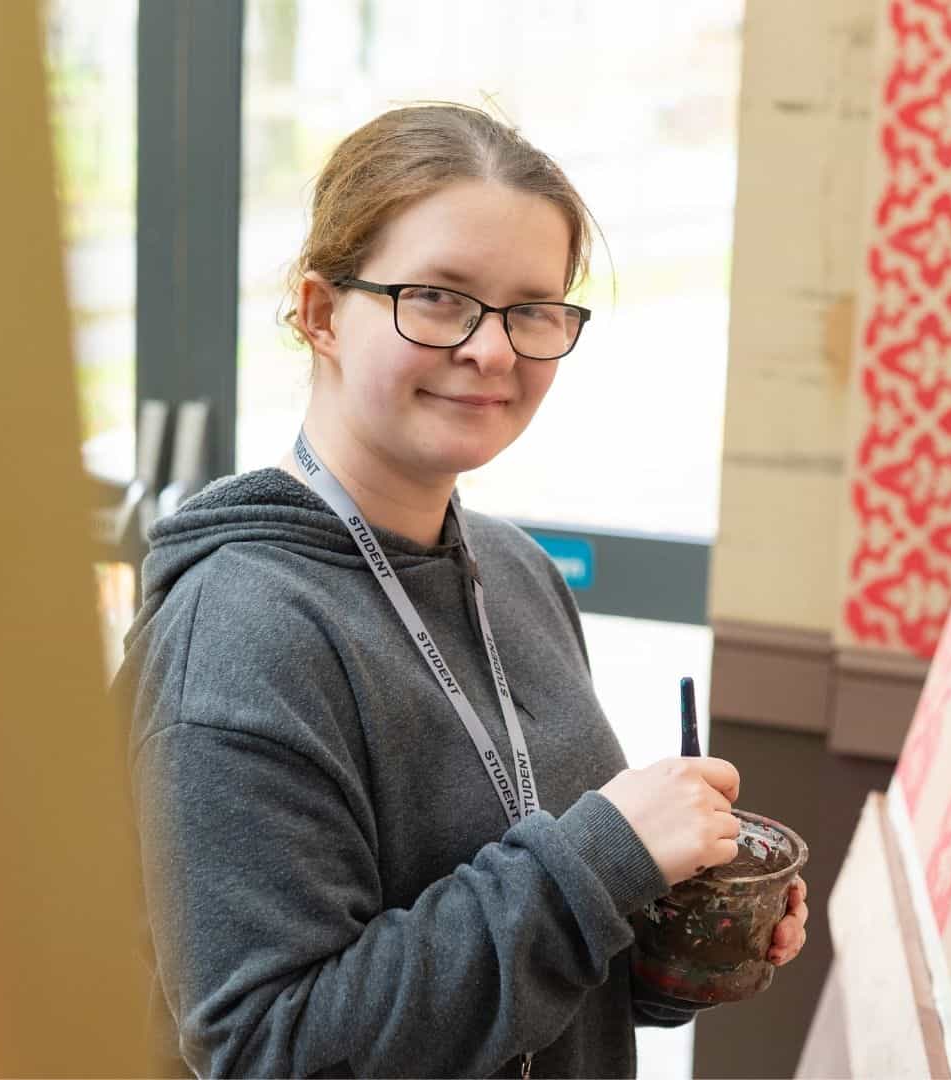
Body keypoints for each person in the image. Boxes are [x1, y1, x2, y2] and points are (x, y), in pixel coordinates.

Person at [118, 103, 810, 1079]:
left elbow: (530, 967)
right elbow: (272, 1047)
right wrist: (603, 859)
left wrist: (671, 939)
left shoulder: (515, 574)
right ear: (321, 313)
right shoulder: (241, 633)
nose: (492, 350)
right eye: (440, 298)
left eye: (533, 309)